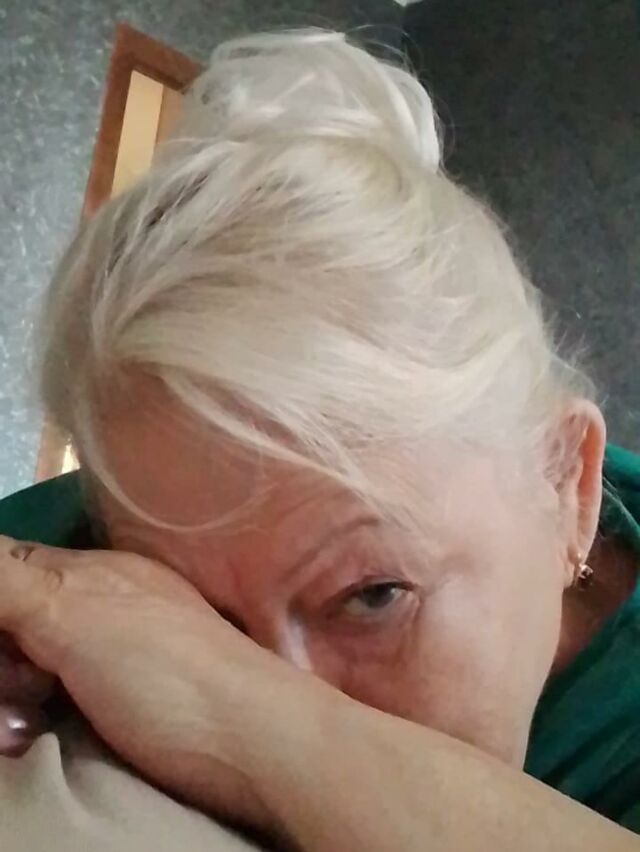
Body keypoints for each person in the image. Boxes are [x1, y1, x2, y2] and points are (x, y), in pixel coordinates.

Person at [0, 28, 638, 851]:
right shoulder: (78, 547)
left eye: (373, 597)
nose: (282, 680)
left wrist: (229, 710)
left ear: (566, 487)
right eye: (196, 616)